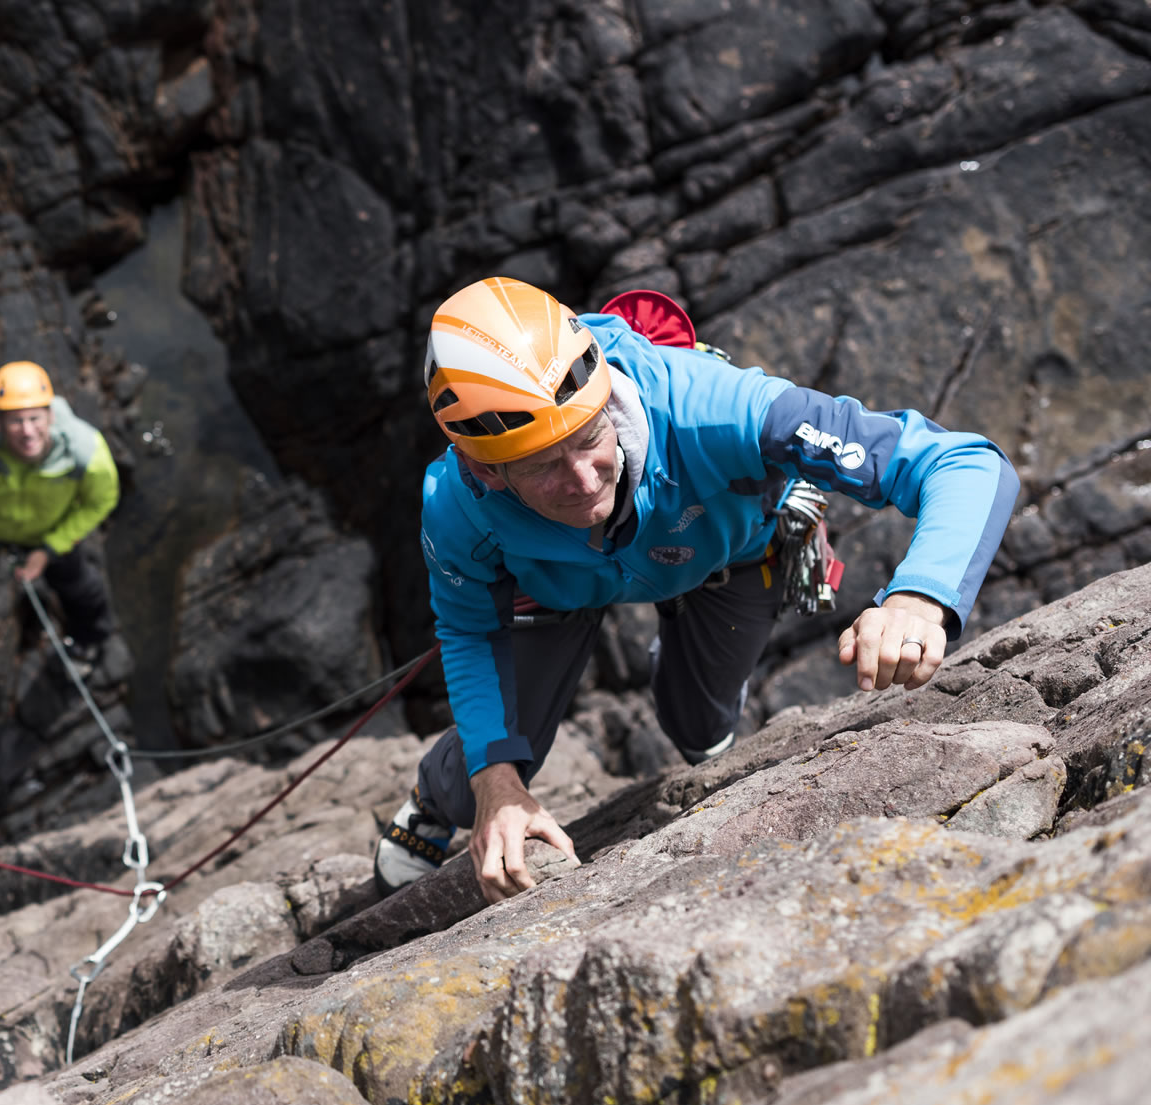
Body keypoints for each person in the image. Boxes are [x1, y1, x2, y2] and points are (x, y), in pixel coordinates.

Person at [375, 277, 1020, 901]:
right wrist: (495, 781)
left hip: (726, 555)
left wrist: (919, 596)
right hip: (555, 590)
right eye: (543, 465)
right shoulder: (458, 504)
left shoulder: (719, 412)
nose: (583, 479)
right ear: (483, 469)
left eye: (589, 436)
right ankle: (435, 801)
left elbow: (961, 461)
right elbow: (469, 629)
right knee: (485, 775)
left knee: (700, 725)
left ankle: (693, 684)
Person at [0, 360, 122, 662]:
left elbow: (102, 500)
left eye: (35, 418)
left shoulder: (85, 452)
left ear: (51, 415)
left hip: (48, 534)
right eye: (16, 421)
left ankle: (90, 641)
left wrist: (50, 549)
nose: (28, 432)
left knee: (84, 590)